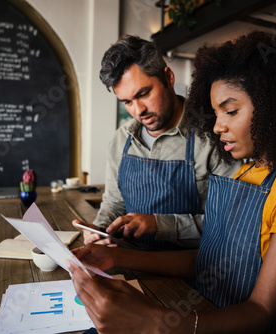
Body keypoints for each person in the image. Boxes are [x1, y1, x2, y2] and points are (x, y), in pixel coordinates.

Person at [68, 30, 276, 333]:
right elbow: (206, 260)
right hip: (200, 310)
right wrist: (115, 255)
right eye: (215, 113)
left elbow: (263, 310)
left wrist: (156, 322)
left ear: (274, 105)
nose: (216, 127)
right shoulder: (248, 171)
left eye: (229, 111)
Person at [76, 35, 240, 250]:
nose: (138, 110)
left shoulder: (215, 136)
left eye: (143, 94)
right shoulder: (122, 139)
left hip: (193, 271)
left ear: (168, 78)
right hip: (132, 263)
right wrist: (100, 229)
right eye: (127, 102)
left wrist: (161, 225)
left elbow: (230, 223)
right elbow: (115, 203)